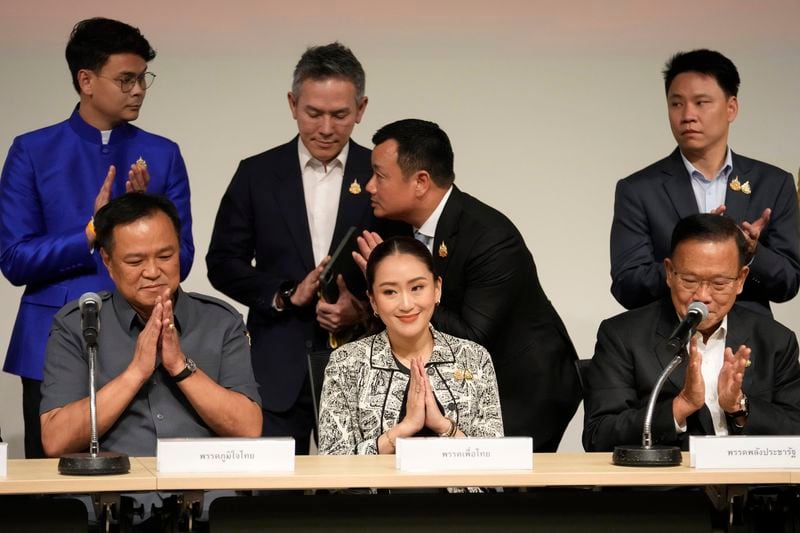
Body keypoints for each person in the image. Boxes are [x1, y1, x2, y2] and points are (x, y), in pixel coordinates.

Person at [0, 17, 194, 458]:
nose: (138, 89)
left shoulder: (162, 153)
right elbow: (14, 259)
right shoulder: (32, 151)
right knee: (55, 496)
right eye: (126, 79)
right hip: (53, 338)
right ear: (85, 80)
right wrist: (91, 231)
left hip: (143, 335)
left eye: (143, 78)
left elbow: (181, 255)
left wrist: (145, 218)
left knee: (149, 478)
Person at [207, 42, 393, 455]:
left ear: (361, 109)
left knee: (355, 501)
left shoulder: (381, 174)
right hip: (276, 368)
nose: (326, 128)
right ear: (293, 104)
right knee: (270, 504)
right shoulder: (256, 174)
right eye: (314, 113)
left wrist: (362, 310)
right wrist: (286, 293)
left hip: (362, 364)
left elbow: (403, 263)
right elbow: (222, 262)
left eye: (340, 115)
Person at [355, 119, 580, 452]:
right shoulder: (396, 231)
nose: (370, 186)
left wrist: (400, 282)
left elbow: (472, 337)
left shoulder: (490, 237)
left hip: (524, 390)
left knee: (498, 493)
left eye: (381, 176)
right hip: (460, 386)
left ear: (420, 182)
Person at [40, 193, 260, 458]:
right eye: (135, 261)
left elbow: (249, 429)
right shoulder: (79, 324)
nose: (153, 271)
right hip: (111, 493)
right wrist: (135, 373)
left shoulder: (220, 321)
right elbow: (55, 441)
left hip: (204, 492)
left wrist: (180, 366)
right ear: (108, 262)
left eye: (166, 256)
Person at [584, 214, 800, 452]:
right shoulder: (623, 336)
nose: (702, 296)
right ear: (669, 273)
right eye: (689, 280)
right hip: (669, 486)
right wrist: (680, 406)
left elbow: (795, 430)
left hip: (754, 486)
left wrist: (740, 407)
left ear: (740, 280)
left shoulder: (775, 340)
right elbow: (599, 435)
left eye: (719, 283)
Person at [610, 49, 800, 315]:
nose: (687, 115)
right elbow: (627, 285)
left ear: (731, 108)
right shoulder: (639, 189)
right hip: (666, 341)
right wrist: (687, 264)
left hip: (748, 343)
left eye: (701, 103)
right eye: (676, 103)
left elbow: (788, 283)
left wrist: (750, 253)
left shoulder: (773, 183)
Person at [318, 237, 503, 455]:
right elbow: (333, 465)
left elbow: (495, 459)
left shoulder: (474, 358)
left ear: (437, 289)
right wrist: (402, 431)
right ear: (373, 301)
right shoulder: (346, 363)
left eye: (417, 288)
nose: (406, 304)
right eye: (389, 292)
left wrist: (444, 427)